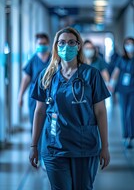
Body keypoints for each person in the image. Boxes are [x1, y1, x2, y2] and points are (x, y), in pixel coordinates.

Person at [29, 27, 110, 190]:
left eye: (71, 42)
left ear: (78, 46)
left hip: (85, 146)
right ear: (56, 47)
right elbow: (39, 112)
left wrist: (105, 146)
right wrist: (33, 146)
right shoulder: (46, 76)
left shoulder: (92, 75)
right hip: (54, 146)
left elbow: (100, 112)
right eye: (62, 43)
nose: (67, 46)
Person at [18, 32, 51, 165]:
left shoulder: (53, 59)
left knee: (49, 126)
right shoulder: (33, 60)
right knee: (36, 124)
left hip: (51, 98)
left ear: (48, 44)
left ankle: (47, 155)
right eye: (39, 44)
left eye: (44, 44)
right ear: (36, 44)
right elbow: (26, 79)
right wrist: (20, 95)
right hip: (35, 99)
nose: (42, 46)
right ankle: (38, 155)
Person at [109, 37, 134, 149]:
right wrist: (112, 85)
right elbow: (116, 73)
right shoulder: (121, 59)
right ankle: (125, 136)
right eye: (127, 44)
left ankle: (131, 136)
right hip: (122, 90)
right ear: (124, 46)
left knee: (131, 112)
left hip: (133, 89)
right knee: (124, 113)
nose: (129, 46)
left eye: (131, 44)